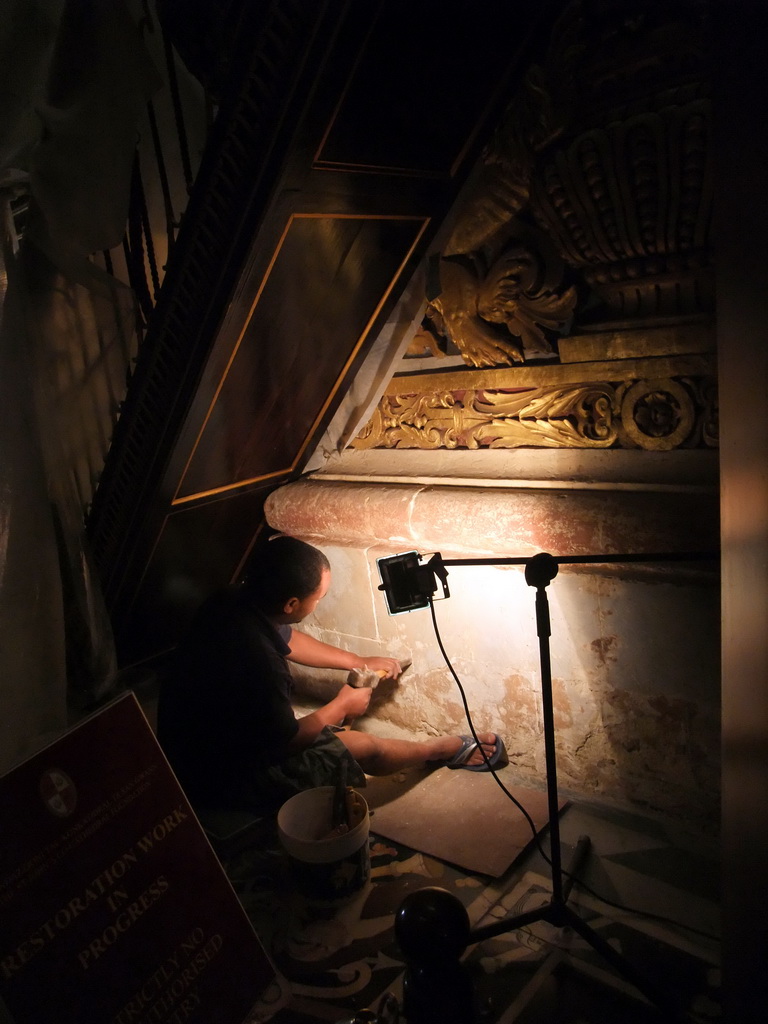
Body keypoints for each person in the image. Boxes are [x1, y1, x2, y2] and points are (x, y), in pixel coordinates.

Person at [156, 535, 507, 814]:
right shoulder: (259, 661)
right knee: (363, 745)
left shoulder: (233, 602)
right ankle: (441, 750)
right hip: (217, 780)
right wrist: (342, 704)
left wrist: (357, 659)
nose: (319, 602)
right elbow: (287, 741)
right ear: (291, 604)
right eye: (319, 598)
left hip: (201, 743)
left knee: (328, 726)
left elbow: (289, 637)